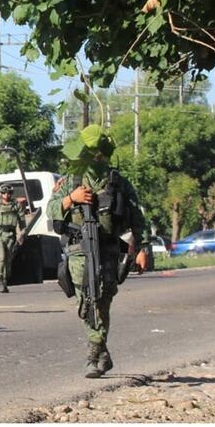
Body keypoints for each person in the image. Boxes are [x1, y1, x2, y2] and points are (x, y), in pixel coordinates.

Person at [47, 128, 148, 378]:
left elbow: (137, 216)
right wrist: (72, 198)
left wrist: (141, 248)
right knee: (87, 299)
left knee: (103, 301)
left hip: (108, 249)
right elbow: (50, 210)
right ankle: (94, 354)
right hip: (79, 251)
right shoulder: (71, 180)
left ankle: (100, 352)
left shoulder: (118, 182)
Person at [0, 183, 26, 293]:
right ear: (0, 194)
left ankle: (5, 280)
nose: (6, 195)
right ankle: (0, 279)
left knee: (8, 260)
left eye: (9, 193)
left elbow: (22, 222)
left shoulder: (16, 205)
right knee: (1, 258)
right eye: (4, 193)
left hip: (11, 236)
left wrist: (22, 234)